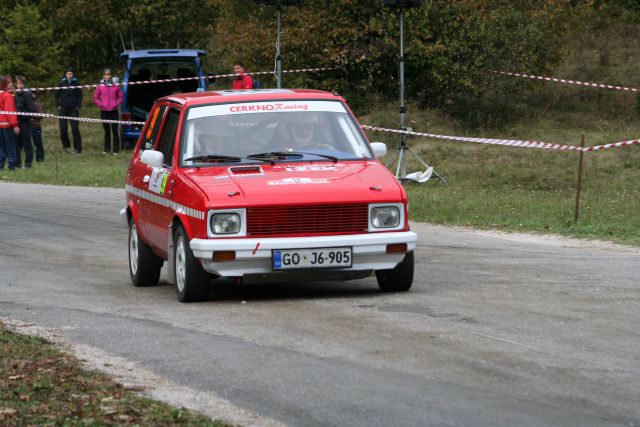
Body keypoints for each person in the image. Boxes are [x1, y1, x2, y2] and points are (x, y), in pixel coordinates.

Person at [93, 68, 123, 154]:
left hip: (114, 111)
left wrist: (116, 104)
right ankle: (106, 149)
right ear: (103, 76)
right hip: (104, 111)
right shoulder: (100, 86)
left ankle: (116, 150)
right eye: (106, 74)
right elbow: (95, 97)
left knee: (115, 131)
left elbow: (120, 96)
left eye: (109, 74)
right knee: (107, 131)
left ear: (111, 76)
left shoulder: (115, 85)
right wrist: (100, 104)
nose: (107, 76)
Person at [54, 67, 83, 153]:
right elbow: (56, 95)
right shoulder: (61, 83)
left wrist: (78, 106)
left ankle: (77, 148)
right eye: (68, 74)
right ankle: (66, 146)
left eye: (71, 74)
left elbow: (80, 95)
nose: (69, 75)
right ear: (65, 74)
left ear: (73, 74)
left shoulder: (76, 82)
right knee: (63, 128)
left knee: (74, 128)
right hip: (63, 108)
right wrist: (58, 105)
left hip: (74, 108)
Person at [14, 76, 37, 168]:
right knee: (16, 143)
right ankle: (18, 163)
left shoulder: (27, 94)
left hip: (25, 122)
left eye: (22, 84)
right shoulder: (15, 94)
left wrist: (25, 116)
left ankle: (28, 163)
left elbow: (33, 109)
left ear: (24, 84)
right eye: (18, 83)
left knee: (27, 143)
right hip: (16, 122)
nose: (20, 85)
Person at [0, 75, 20, 171]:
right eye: (9, 82)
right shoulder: (7, 95)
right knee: (10, 146)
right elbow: (10, 111)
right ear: (4, 84)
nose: (11, 84)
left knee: (1, 147)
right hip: (7, 124)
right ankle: (12, 166)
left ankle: (0, 165)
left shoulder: (4, 94)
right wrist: (15, 125)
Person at [31, 93, 45, 162]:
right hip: (26, 126)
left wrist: (32, 116)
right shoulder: (24, 104)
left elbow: (41, 115)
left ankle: (40, 157)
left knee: (37, 142)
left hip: (36, 126)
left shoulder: (37, 105)